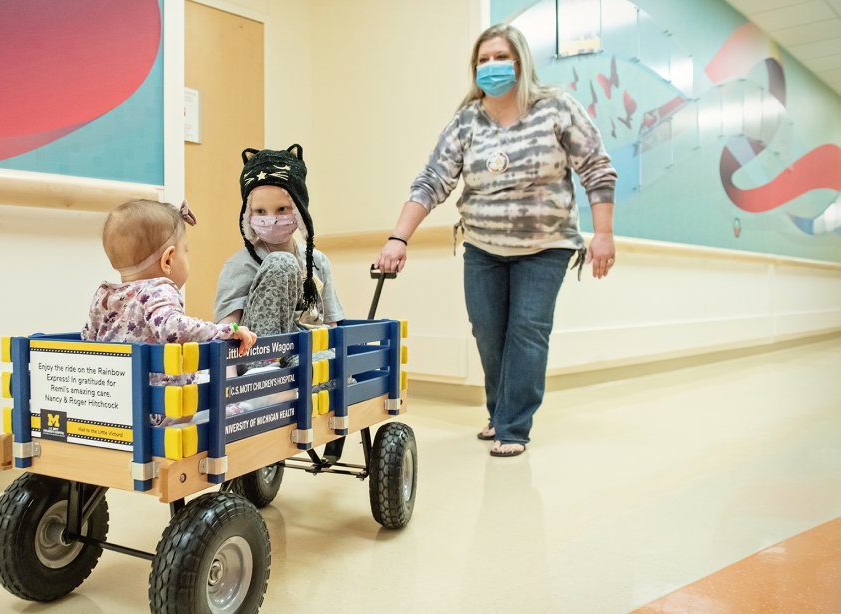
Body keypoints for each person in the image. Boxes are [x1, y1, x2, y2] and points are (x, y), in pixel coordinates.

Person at [375, 24, 617, 457]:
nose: (490, 67)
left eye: (499, 57)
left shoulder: (556, 108)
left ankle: (513, 426)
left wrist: (603, 233)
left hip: (547, 245)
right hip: (482, 245)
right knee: (488, 331)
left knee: (527, 331)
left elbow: (596, 167)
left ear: (520, 62)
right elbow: (433, 179)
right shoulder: (468, 119)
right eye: (482, 60)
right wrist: (398, 238)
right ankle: (499, 411)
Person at [214, 144, 348, 462]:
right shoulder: (241, 264)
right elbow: (225, 327)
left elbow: (332, 324)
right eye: (260, 212)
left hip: (300, 351)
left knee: (336, 369)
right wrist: (229, 382)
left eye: (281, 210)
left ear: (299, 211)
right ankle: (267, 383)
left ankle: (301, 396)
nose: (270, 219)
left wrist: (339, 367)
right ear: (248, 214)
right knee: (282, 265)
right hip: (256, 357)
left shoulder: (318, 262)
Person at [81, 199, 258, 423]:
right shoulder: (158, 289)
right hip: (162, 407)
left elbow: (88, 339)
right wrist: (226, 331)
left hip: (119, 404)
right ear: (168, 260)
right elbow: (174, 329)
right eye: (186, 251)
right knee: (232, 396)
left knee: (203, 380)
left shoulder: (104, 295)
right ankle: (242, 409)